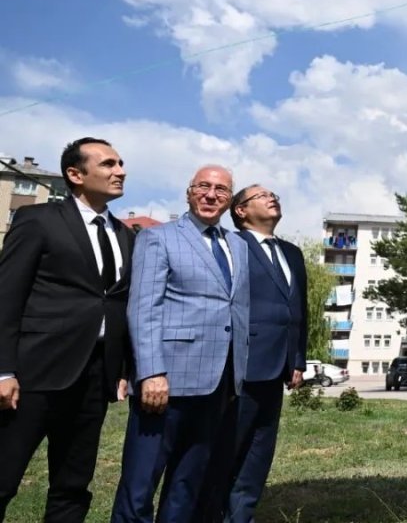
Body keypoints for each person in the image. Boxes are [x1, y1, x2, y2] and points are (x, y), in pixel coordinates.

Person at [0, 138, 132, 522]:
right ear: (75, 174)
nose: (120, 170)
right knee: (4, 479)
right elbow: (7, 297)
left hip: (93, 379)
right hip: (33, 375)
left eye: (121, 163)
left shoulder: (125, 235)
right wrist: (3, 370)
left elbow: (118, 305)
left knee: (73, 486)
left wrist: (122, 369)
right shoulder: (38, 220)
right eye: (108, 164)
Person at [112, 165, 251, 523]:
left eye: (221, 190)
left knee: (187, 483)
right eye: (203, 186)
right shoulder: (159, 238)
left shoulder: (237, 245)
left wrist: (238, 373)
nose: (211, 194)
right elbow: (143, 308)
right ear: (188, 192)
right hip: (166, 382)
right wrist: (151, 371)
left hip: (217, 384)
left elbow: (236, 308)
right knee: (140, 484)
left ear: (229, 199)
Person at [198, 185, 308, 522]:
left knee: (259, 454)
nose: (272, 197)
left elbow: (297, 309)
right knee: (226, 450)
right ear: (241, 211)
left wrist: (297, 360)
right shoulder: (231, 246)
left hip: (278, 369)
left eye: (274, 193)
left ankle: (240, 516)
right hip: (239, 366)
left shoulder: (292, 252)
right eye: (261, 195)